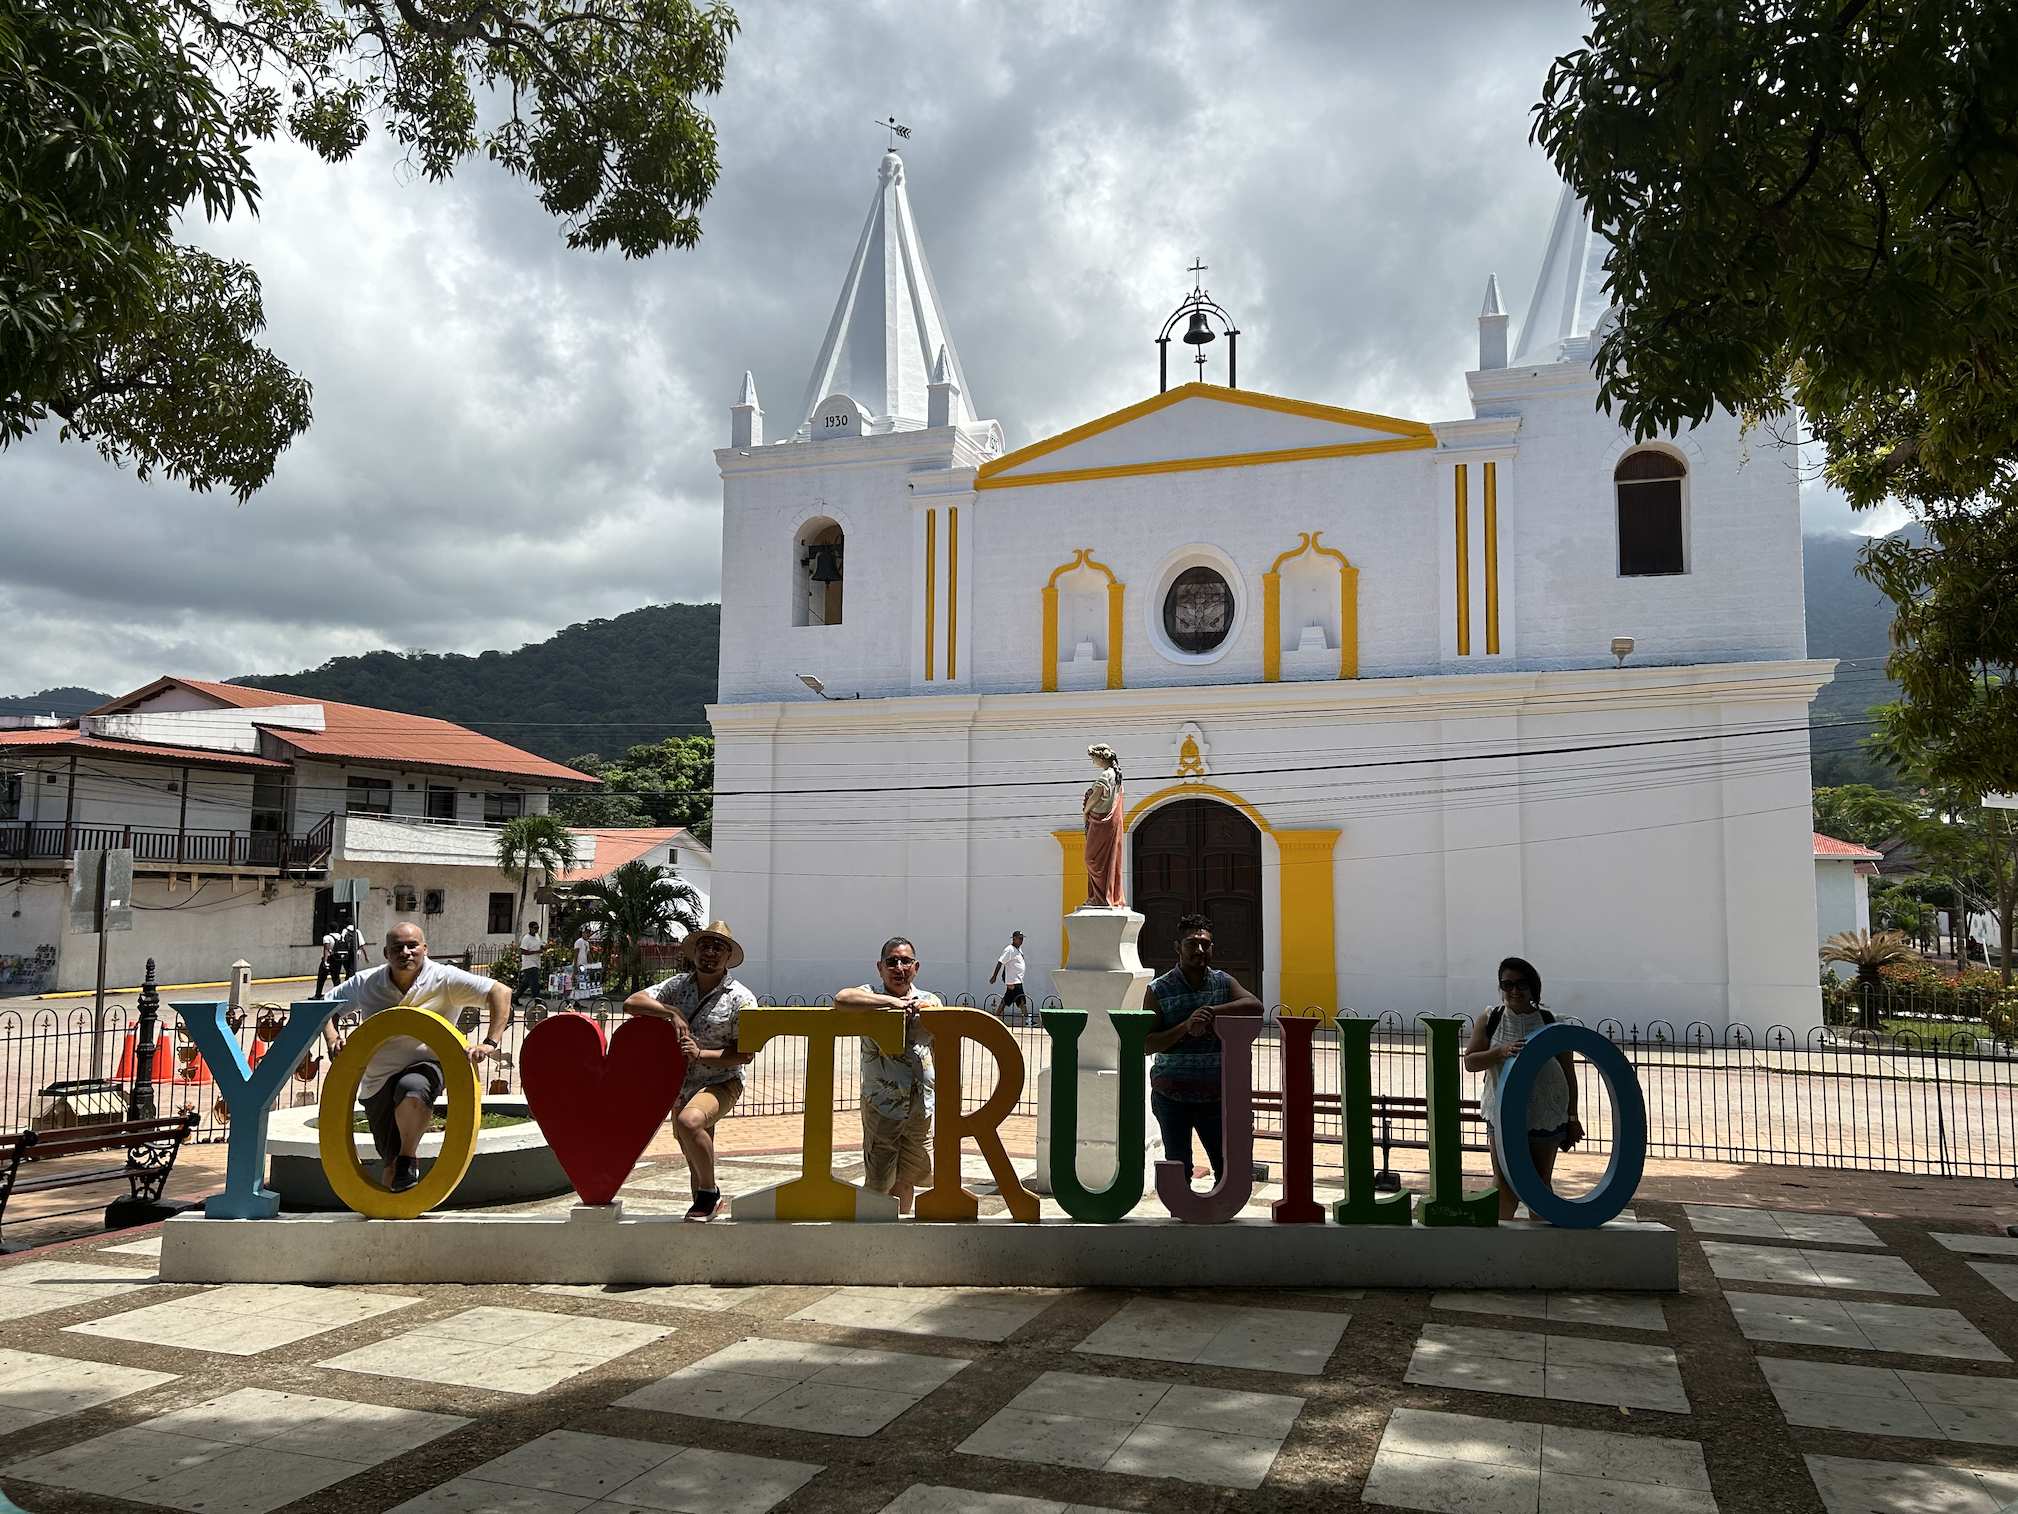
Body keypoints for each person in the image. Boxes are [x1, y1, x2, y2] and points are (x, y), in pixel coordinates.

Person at [321, 922, 507, 1194]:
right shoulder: (367, 982)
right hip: (377, 1079)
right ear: (386, 952)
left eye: (412, 946)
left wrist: (490, 1042)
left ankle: (409, 1158)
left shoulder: (444, 978)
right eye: (397, 947)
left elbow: (500, 992)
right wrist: (332, 1038)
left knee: (413, 1089)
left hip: (428, 1064)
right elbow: (325, 1006)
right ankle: (391, 1213)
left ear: (425, 949)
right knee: (390, 1164)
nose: (405, 952)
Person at [624, 921, 757, 1222]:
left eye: (718, 948)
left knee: (689, 1122)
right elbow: (634, 1003)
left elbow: (744, 1055)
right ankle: (703, 1216)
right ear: (694, 952)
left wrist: (701, 1054)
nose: (710, 953)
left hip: (722, 1080)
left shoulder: (741, 998)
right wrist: (671, 1011)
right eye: (705, 946)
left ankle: (712, 1194)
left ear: (728, 957)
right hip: (682, 1084)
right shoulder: (677, 986)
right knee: (693, 1157)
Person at [1142, 914, 1263, 1182]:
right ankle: (1181, 1217)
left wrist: (1209, 1012)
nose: (1199, 950)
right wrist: (1186, 1026)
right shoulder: (1159, 990)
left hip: (1215, 1097)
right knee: (1178, 1168)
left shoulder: (1223, 982)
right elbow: (1147, 1043)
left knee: (1225, 1168)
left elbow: (1255, 1005)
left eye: (1205, 944)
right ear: (1177, 947)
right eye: (1191, 944)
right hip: (1171, 1097)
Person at [1464, 956, 1583, 1221]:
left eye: (1521, 984)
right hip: (1503, 1111)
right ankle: (1499, 1247)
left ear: (1533, 986)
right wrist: (1500, 1051)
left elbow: (1568, 1073)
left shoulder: (1552, 1020)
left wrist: (1572, 1117)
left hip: (1547, 1112)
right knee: (1504, 1182)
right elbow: (1471, 1061)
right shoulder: (1490, 1018)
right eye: (1507, 985)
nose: (1514, 991)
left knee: (1539, 1184)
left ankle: (1540, 1250)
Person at [834, 937, 940, 1214]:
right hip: (882, 1103)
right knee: (880, 1179)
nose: (899, 968)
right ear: (880, 968)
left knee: (909, 1177)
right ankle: (874, 1238)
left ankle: (901, 1230)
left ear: (916, 967)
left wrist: (927, 1012)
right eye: (892, 962)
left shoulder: (929, 1000)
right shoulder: (868, 995)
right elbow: (841, 999)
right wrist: (889, 1003)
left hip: (921, 1104)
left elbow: (942, 1040)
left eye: (905, 962)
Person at [1083, 744, 1126, 907]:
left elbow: (1097, 795)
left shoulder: (1107, 775)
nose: (1093, 763)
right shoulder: (1116, 775)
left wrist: (1086, 811)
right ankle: (1102, 896)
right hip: (1107, 821)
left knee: (1092, 859)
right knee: (1104, 860)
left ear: (1101, 758)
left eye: (1093, 759)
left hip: (1101, 821)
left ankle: (1099, 897)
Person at [989, 931, 1028, 1023]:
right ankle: (1028, 1020)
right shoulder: (1009, 949)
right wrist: (994, 976)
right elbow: (1000, 962)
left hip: (1016, 980)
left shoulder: (1018, 949)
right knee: (1022, 1000)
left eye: (1022, 938)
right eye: (1019, 938)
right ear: (1014, 939)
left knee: (1006, 999)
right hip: (1014, 981)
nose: (1021, 940)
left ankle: (996, 1017)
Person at [517, 921, 544, 999]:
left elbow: (540, 945)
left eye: (538, 928)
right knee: (534, 982)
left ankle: (515, 998)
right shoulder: (526, 938)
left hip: (536, 961)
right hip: (529, 963)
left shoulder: (537, 937)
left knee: (526, 983)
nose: (537, 930)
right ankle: (537, 998)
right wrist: (536, 952)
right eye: (535, 928)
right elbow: (523, 951)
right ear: (530, 928)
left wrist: (543, 948)